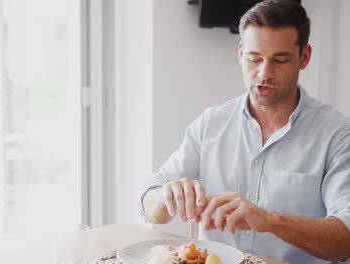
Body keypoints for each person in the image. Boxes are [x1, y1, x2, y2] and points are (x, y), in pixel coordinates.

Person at [139, 0, 350, 263]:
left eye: (280, 60)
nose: (264, 73)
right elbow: (150, 204)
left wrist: (270, 220)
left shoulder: (337, 134)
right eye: (254, 58)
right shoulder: (211, 124)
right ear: (240, 53)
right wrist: (165, 196)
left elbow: (345, 240)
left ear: (304, 57)